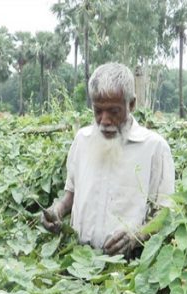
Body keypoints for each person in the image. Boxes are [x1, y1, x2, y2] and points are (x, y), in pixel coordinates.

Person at [41, 62, 175, 256]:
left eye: (114, 111)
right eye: (98, 111)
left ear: (131, 104)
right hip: (79, 260)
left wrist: (135, 237)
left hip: (129, 268)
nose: (104, 120)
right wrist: (57, 211)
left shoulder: (154, 148)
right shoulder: (82, 140)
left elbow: (165, 213)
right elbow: (71, 195)